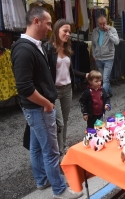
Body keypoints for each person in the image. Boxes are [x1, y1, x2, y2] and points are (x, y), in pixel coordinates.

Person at [11, 7, 83, 199]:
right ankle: (59, 189)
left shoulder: (34, 45)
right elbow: (24, 87)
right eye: (49, 23)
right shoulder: (24, 49)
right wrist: (47, 104)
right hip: (39, 108)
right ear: (36, 21)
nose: (50, 28)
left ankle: (42, 180)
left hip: (38, 107)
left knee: (36, 147)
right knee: (51, 150)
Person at [43, 19, 89, 156]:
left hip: (67, 89)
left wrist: (85, 75)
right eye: (65, 31)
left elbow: (70, 70)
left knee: (65, 121)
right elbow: (45, 73)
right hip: (54, 91)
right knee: (59, 123)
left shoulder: (67, 48)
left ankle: (61, 149)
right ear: (57, 30)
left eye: (69, 31)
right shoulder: (48, 48)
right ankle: (58, 152)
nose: (68, 34)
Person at [92, 15, 119, 98]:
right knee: (104, 78)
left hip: (108, 58)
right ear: (97, 24)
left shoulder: (112, 30)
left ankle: (102, 96)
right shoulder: (95, 31)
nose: (102, 26)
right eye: (100, 24)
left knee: (105, 79)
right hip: (98, 58)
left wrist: (109, 32)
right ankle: (109, 92)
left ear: (107, 22)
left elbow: (117, 42)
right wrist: (94, 55)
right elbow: (93, 44)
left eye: (104, 24)